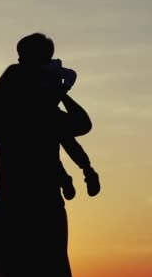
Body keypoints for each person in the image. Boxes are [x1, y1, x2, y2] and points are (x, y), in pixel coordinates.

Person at [0, 33, 93, 277]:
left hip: (8, 203)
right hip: (43, 204)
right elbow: (83, 124)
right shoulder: (41, 112)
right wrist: (61, 93)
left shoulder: (3, 109)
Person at [17, 36, 101, 200]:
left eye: (23, 54)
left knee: (66, 141)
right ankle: (65, 179)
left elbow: (71, 74)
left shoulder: (50, 68)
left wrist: (62, 90)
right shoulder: (22, 72)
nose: (20, 58)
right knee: (48, 150)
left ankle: (86, 171)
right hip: (38, 118)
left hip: (51, 115)